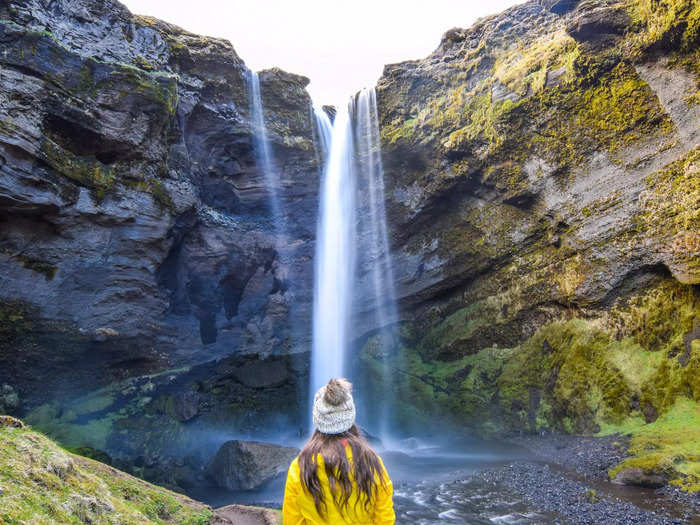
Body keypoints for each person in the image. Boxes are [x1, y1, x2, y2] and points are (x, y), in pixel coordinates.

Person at [282, 378, 395, 524]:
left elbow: (292, 520)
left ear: (318, 418)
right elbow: (384, 518)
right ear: (350, 416)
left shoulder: (300, 466)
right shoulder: (372, 462)